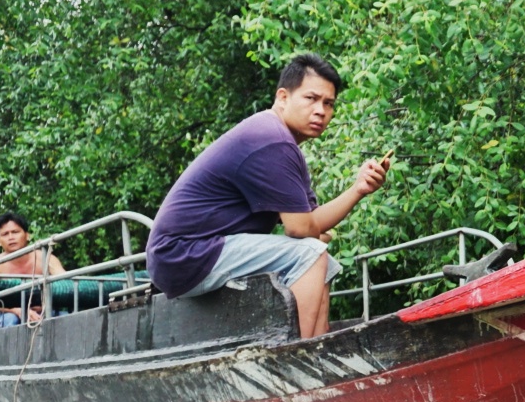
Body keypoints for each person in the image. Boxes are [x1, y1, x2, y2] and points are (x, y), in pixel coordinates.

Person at [144, 53, 389, 338]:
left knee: (322, 259)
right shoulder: (271, 138)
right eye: (311, 98)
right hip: (182, 254)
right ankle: (297, 357)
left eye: (329, 103)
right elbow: (301, 229)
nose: (321, 110)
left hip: (200, 252)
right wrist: (310, 235)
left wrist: (358, 189)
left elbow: (310, 223)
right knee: (311, 254)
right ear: (283, 97)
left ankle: (319, 347)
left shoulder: (284, 144)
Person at [0, 210, 65, 326]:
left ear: (27, 235)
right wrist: (18, 311)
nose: (11, 237)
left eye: (15, 232)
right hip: (9, 314)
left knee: (67, 317)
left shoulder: (46, 258)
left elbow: (66, 285)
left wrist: (45, 307)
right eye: (5, 234)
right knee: (10, 320)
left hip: (46, 310)